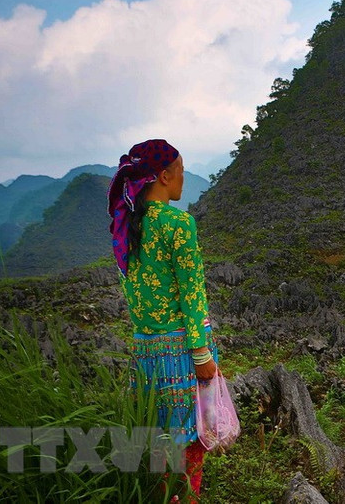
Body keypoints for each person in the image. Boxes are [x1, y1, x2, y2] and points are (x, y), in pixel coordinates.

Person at [108, 139, 216, 500]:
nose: (184, 178)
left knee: (157, 441)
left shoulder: (127, 227)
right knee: (191, 444)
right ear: (165, 176)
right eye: (181, 171)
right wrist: (201, 354)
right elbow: (192, 294)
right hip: (181, 352)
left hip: (146, 352)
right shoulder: (178, 223)